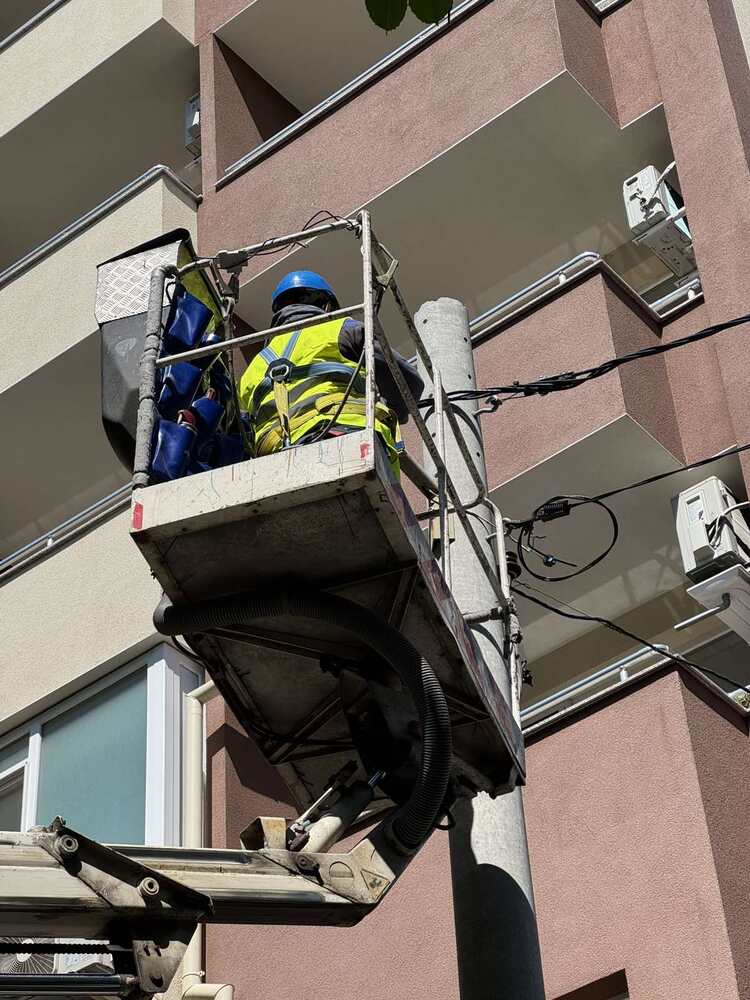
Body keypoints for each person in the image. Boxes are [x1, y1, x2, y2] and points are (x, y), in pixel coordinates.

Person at [239, 270, 424, 476]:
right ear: (327, 306)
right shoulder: (342, 329)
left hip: (273, 463)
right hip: (342, 438)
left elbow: (243, 431)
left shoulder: (253, 368)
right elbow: (408, 382)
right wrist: (397, 410)